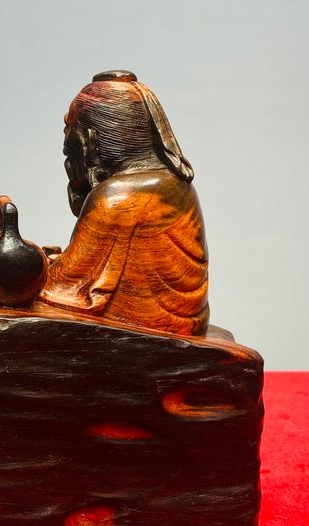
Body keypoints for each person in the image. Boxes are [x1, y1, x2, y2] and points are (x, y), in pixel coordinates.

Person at [39, 70, 209, 336]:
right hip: (191, 322)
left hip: (145, 329)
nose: (66, 143)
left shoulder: (116, 196)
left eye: (70, 130)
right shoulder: (180, 187)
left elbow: (62, 288)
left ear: (89, 141)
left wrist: (27, 263)